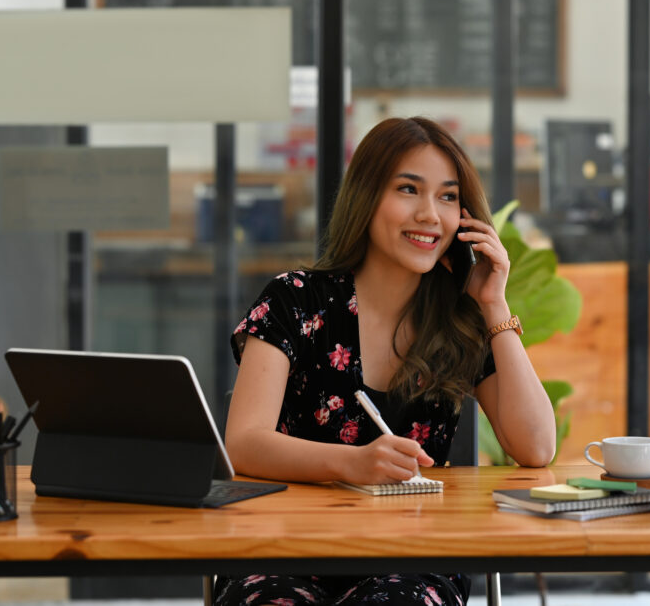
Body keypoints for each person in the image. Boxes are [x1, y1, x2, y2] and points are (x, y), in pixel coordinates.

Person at [215, 117, 556, 606]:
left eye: (447, 196)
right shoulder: (294, 299)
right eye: (408, 190)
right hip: (285, 545)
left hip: (411, 557)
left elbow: (537, 447)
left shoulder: (460, 320)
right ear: (367, 196)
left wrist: (494, 305)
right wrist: (354, 463)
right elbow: (244, 443)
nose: (429, 215)